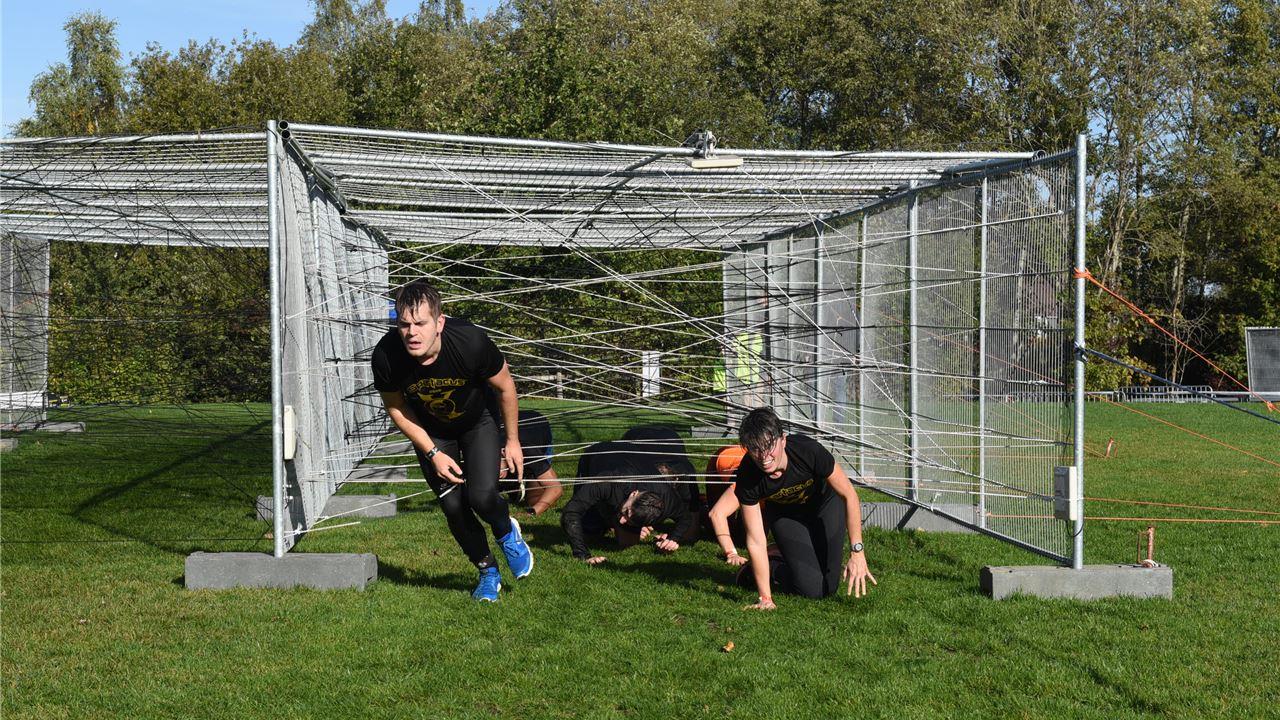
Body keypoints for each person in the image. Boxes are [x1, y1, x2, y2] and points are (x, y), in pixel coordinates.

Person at [372, 280, 533, 602]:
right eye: (404, 324)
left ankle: (506, 531)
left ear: (439, 322)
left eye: (421, 323)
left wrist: (512, 441)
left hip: (478, 422)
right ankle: (487, 573)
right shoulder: (386, 356)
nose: (412, 333)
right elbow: (396, 408)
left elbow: (505, 387)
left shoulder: (470, 342)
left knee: (482, 496)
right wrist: (432, 452)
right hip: (432, 432)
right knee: (453, 506)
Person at [733, 407, 875, 609]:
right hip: (786, 515)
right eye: (755, 449)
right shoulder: (747, 475)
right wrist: (766, 598)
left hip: (825, 506)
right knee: (813, 591)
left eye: (768, 446)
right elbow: (755, 540)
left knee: (830, 586)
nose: (764, 456)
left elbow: (849, 495)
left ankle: (792, 557)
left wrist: (857, 552)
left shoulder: (808, 451)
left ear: (783, 439)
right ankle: (770, 566)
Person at [560, 442, 699, 564]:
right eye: (626, 512)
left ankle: (620, 520)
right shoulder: (608, 482)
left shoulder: (666, 498)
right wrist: (582, 555)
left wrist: (672, 539)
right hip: (600, 454)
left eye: (630, 519)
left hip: (633, 461)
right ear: (634, 494)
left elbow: (685, 518)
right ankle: (602, 522)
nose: (622, 520)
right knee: (589, 532)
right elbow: (571, 512)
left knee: (627, 543)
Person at [498, 409, 563, 515]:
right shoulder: (482, 450)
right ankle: (513, 484)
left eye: (496, 468)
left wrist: (531, 512)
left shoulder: (528, 450)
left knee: (535, 498)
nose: (496, 473)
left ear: (503, 452)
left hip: (539, 428)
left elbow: (555, 488)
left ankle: (522, 479)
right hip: (509, 431)